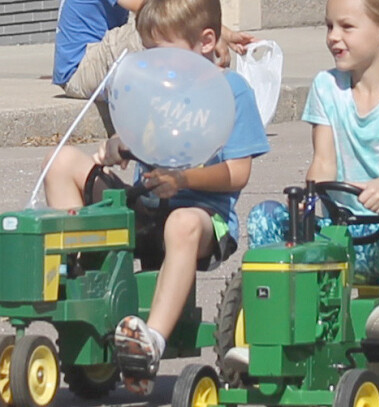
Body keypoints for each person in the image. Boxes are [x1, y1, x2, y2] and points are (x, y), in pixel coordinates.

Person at [44, 0, 270, 395]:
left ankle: (152, 342)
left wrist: (184, 180)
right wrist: (117, 146)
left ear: (206, 42)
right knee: (62, 162)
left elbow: (238, 172)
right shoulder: (155, 87)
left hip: (201, 219)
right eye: (147, 51)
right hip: (144, 204)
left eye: (161, 51)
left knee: (182, 224)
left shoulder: (231, 91)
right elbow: (142, 138)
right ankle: (81, 281)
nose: (152, 61)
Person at [246, 0, 379, 377]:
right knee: (265, 217)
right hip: (347, 235)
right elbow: (323, 162)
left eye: (346, 27)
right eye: (328, 27)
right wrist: (308, 200)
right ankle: (271, 325)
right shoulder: (326, 87)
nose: (333, 38)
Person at [53, 0, 256, 99]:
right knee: (152, 27)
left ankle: (197, 89)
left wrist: (219, 32)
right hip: (79, 70)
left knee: (166, 28)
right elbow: (155, 9)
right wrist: (217, 33)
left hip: (94, 63)